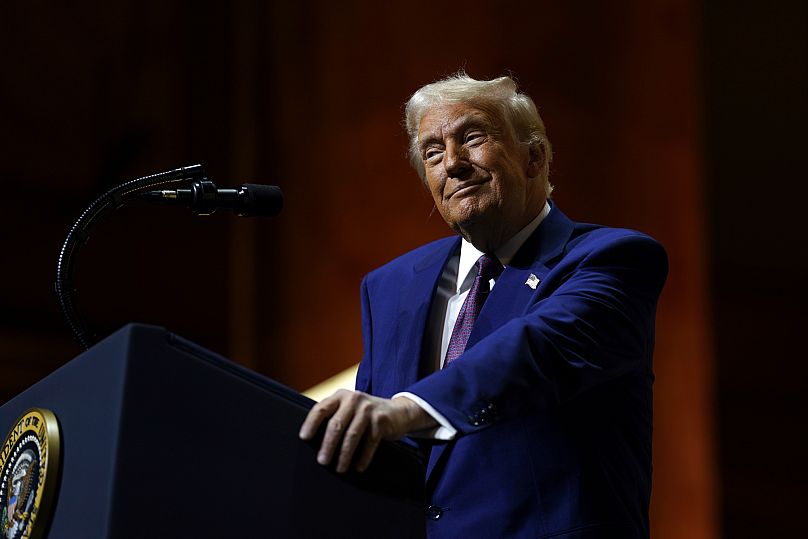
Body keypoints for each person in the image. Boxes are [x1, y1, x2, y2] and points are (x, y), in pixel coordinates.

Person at [299, 72, 668, 538]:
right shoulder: (390, 286)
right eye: (433, 152)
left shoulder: (611, 259)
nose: (452, 163)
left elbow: (536, 350)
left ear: (534, 157)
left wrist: (409, 409)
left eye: (472, 138)